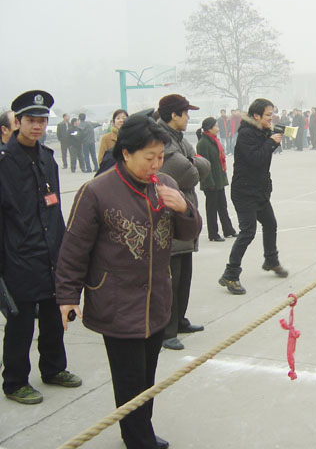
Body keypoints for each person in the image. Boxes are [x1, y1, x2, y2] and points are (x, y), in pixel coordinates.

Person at [56, 111, 202, 448]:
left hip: (156, 299)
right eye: (148, 157)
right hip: (116, 302)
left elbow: (189, 233)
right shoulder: (97, 191)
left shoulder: (166, 185)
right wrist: (67, 296)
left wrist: (183, 208)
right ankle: (137, 438)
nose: (156, 164)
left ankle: (141, 429)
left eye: (160, 157)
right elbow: (74, 248)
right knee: (129, 378)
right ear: (125, 153)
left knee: (147, 376)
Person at [1, 90, 81, 405]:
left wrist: (64, 251)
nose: (37, 126)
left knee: (52, 317)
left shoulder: (47, 159)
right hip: (18, 258)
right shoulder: (5, 164)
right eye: (31, 120)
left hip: (51, 253)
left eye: (42, 120)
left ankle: (53, 368)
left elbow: (54, 209)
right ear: (17, 122)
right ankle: (15, 381)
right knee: (20, 325)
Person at [218, 98, 288, 295]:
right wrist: (270, 142)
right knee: (248, 231)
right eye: (268, 115)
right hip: (244, 192)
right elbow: (256, 158)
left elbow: (264, 154)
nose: (271, 118)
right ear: (256, 116)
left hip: (259, 190)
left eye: (272, 114)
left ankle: (271, 260)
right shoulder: (246, 134)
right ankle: (230, 274)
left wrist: (273, 141)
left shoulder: (262, 131)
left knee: (270, 224)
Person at [156, 94, 209, 350]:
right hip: (169, 217)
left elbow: (202, 165)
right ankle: (167, 330)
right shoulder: (161, 140)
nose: (188, 117)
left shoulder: (179, 139)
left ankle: (179, 321)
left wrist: (192, 162)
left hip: (185, 213)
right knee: (171, 278)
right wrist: (192, 163)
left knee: (184, 274)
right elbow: (188, 174)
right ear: (173, 115)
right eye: (185, 113)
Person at [196, 117, 237, 242]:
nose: (218, 129)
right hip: (210, 182)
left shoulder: (214, 140)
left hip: (218, 180)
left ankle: (228, 230)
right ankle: (213, 233)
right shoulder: (203, 143)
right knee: (212, 209)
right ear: (209, 128)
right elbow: (204, 165)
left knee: (222, 206)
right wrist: (209, 182)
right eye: (216, 126)